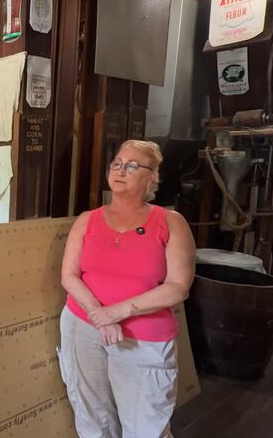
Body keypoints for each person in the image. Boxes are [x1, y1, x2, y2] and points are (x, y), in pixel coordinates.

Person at [58, 140, 195, 438]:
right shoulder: (87, 220)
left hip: (143, 338)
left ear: (152, 177)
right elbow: (69, 276)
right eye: (117, 163)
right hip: (83, 326)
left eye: (133, 165)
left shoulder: (171, 222)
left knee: (146, 424)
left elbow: (177, 287)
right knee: (91, 415)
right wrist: (99, 315)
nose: (121, 170)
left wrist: (116, 313)